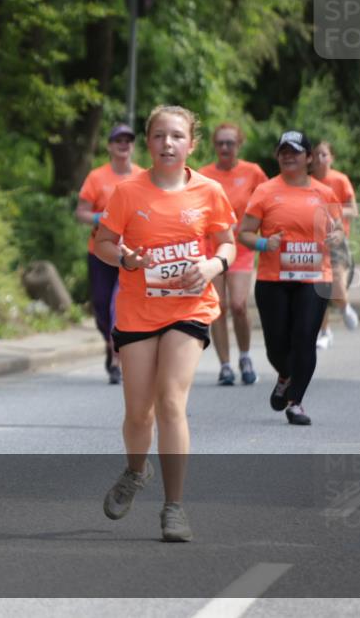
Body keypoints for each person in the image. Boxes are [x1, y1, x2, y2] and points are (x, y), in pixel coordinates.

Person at [94, 105, 236, 542]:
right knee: (139, 413)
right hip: (138, 311)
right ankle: (136, 471)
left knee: (171, 399)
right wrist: (124, 257)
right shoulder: (127, 192)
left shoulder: (209, 191)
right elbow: (101, 241)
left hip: (189, 308)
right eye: (159, 136)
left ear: (191, 144)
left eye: (176, 136)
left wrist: (213, 265)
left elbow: (228, 243)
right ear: (148, 142)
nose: (167, 143)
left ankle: (174, 507)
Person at [238, 131, 344, 426]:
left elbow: (338, 230)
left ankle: (295, 402)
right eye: (283, 150)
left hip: (314, 276)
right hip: (273, 277)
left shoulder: (324, 193)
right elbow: (244, 233)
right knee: (276, 346)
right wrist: (263, 243)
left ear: (309, 158)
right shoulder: (265, 191)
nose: (288, 155)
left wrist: (335, 237)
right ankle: (285, 376)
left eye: (295, 151)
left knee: (304, 339)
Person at [76, 124, 147, 384]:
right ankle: (110, 342)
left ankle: (117, 357)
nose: (123, 144)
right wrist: (101, 217)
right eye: (118, 140)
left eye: (128, 140)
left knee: (120, 304)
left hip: (130, 252)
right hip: (100, 251)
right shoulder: (97, 177)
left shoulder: (142, 177)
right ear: (109, 145)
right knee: (102, 307)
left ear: (133, 146)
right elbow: (80, 211)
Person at [198, 124, 268, 386]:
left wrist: (266, 237)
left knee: (238, 305)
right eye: (220, 143)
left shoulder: (253, 173)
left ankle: (246, 356)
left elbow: (267, 203)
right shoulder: (203, 175)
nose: (225, 148)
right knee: (218, 307)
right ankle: (225, 365)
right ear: (214, 146)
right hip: (210, 247)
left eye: (230, 143)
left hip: (240, 248)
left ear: (239, 144)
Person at [311, 141, 359, 348]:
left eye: (324, 155)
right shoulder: (307, 181)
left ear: (331, 158)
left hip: (337, 240)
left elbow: (353, 210)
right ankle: (325, 331)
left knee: (337, 285)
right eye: (317, 155)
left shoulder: (340, 180)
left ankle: (345, 307)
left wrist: (332, 212)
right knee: (318, 288)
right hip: (313, 242)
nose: (321, 159)